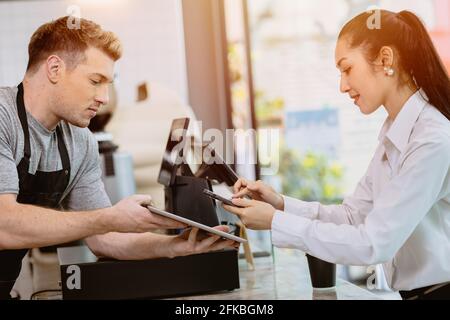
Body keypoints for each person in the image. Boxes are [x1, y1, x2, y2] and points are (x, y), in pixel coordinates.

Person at [0, 16, 237, 299]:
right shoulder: (4, 119)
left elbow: (105, 240)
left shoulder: (79, 142)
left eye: (107, 84)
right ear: (54, 69)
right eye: (95, 81)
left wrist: (173, 247)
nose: (104, 97)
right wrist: (109, 218)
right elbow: (5, 225)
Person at [224, 10, 450, 300]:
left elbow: (373, 242)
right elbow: (353, 215)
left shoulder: (431, 139)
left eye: (347, 69)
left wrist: (275, 222)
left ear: (385, 59)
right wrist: (279, 205)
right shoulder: (395, 134)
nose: (342, 86)